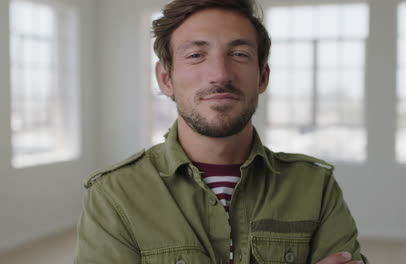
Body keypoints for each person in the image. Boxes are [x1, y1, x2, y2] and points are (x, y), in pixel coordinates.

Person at [75, 0, 368, 263]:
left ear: (262, 76)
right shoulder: (114, 195)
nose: (220, 74)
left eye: (239, 54)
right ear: (166, 79)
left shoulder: (315, 186)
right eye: (195, 55)